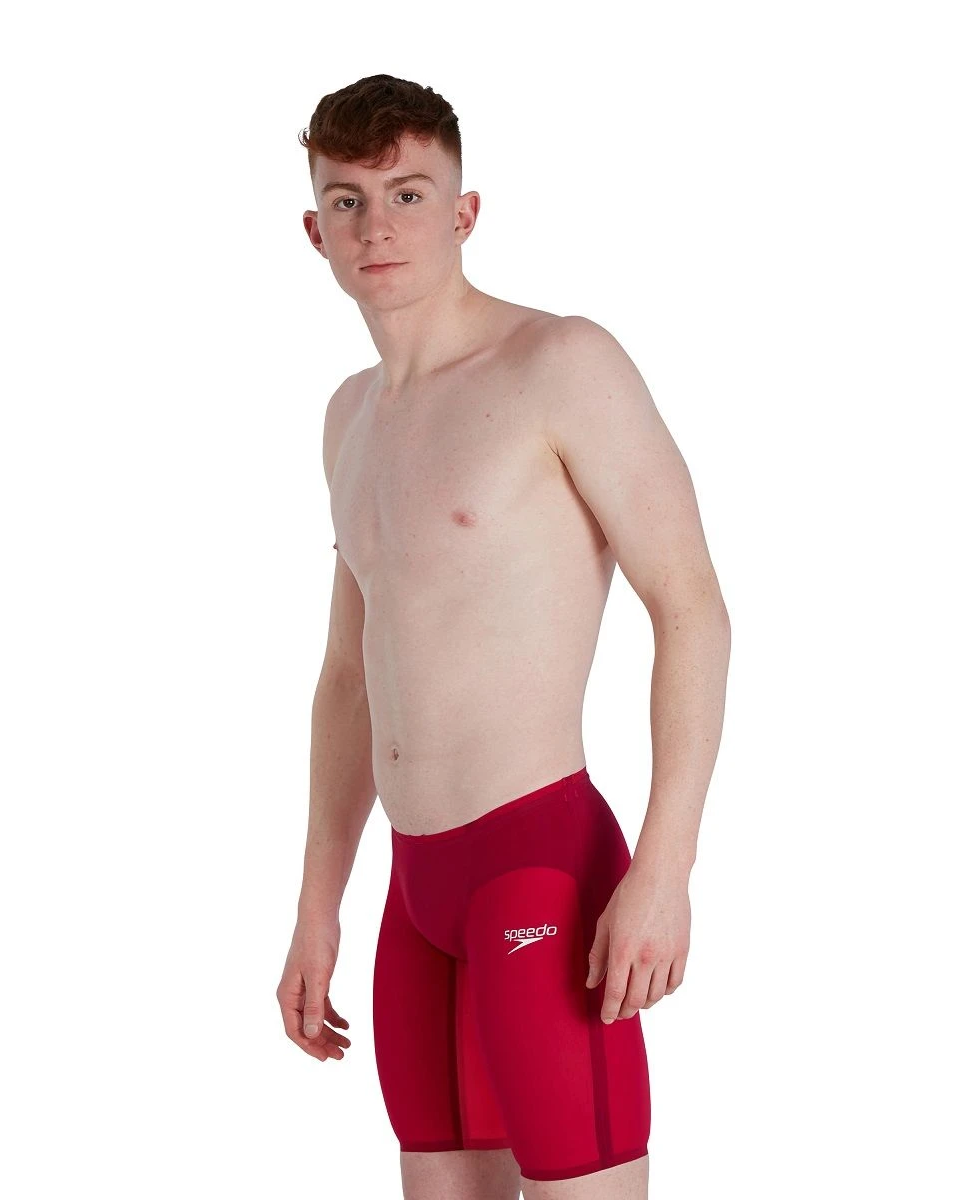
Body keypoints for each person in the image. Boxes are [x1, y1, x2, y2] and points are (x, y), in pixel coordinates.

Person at [278, 74, 731, 1200]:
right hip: (414, 893)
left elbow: (690, 606)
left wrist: (666, 868)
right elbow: (348, 679)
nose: (377, 227)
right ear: (314, 229)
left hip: (539, 868)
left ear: (465, 211)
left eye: (408, 193)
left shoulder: (560, 365)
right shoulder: (349, 417)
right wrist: (317, 908)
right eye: (347, 201)